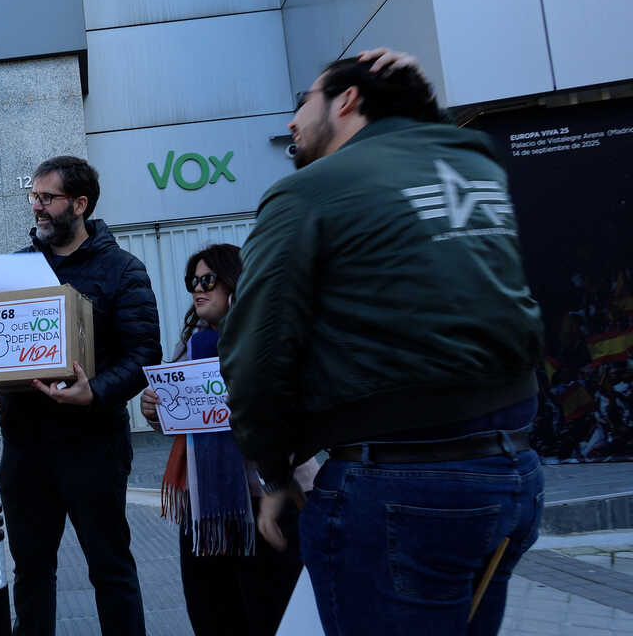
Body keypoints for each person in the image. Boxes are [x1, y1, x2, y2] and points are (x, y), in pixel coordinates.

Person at [219, 50, 546, 635]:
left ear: (346, 101)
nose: (291, 123)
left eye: (304, 102)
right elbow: (445, 148)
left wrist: (275, 471)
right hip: (514, 474)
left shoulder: (306, 194)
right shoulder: (475, 168)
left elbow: (257, 357)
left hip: (396, 488)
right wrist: (418, 101)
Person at [0, 156, 161, 635]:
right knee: (30, 571)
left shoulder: (122, 270)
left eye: (47, 198)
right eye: (33, 197)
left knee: (110, 569)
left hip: (94, 446)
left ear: (80, 203)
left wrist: (96, 393)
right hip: (25, 448)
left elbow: (143, 352)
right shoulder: (11, 270)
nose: (37, 207)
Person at [140, 245, 316, 635]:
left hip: (268, 500)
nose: (197, 290)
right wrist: (154, 410)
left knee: (271, 616)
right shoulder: (191, 346)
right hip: (205, 509)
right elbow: (184, 422)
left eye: (208, 280)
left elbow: (296, 419)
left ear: (235, 283)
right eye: (192, 282)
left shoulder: (270, 340)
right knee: (212, 615)